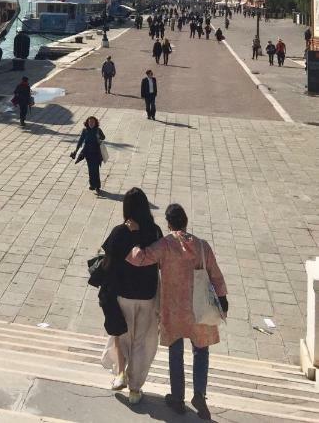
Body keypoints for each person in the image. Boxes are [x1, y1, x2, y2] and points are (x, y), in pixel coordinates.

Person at [127, 203, 228, 421]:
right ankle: (199, 392)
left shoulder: (165, 245)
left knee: (176, 352)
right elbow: (216, 276)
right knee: (201, 351)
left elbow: (141, 258)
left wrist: (132, 238)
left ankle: (178, 398)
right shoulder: (202, 246)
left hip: (174, 309)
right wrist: (223, 298)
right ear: (186, 221)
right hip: (199, 309)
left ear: (169, 223)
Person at [100, 188, 163, 406]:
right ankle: (135, 389)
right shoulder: (154, 232)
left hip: (123, 294)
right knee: (140, 343)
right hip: (147, 295)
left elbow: (107, 260)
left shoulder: (119, 232)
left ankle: (120, 374)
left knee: (121, 336)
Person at [70, 116, 106, 194]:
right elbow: (80, 141)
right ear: (87, 122)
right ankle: (92, 185)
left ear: (95, 122)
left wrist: (99, 137)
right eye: (90, 122)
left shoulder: (98, 130)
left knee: (96, 170)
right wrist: (76, 151)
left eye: (92, 122)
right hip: (88, 153)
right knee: (90, 169)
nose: (91, 123)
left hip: (96, 153)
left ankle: (97, 186)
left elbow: (103, 137)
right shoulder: (85, 131)